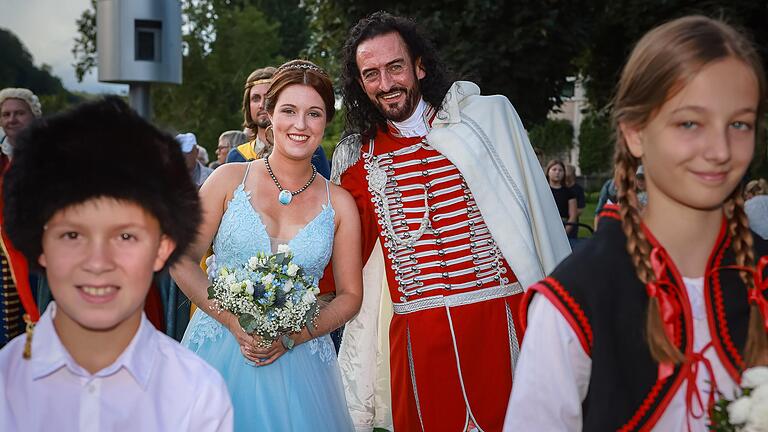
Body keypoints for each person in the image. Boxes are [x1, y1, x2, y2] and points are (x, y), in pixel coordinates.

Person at [504, 16, 768, 431]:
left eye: (739, 124)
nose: (719, 150)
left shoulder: (762, 276)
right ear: (635, 133)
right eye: (689, 123)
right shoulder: (577, 297)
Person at [329, 12, 570, 431]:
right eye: (371, 74)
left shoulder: (486, 122)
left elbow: (535, 219)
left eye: (395, 67)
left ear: (419, 66)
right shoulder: (356, 162)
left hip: (501, 323)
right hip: (418, 339)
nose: (386, 84)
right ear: (360, 85)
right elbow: (338, 254)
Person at [0, 97, 233, 431]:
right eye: (73, 236)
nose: (98, 261)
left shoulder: (198, 391)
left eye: (125, 237)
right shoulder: (7, 389)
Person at [173, 60, 362, 431]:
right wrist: (233, 321)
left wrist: (293, 335)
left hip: (302, 362)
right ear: (269, 114)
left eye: (314, 113)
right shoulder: (228, 179)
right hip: (217, 349)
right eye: (289, 111)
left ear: (326, 122)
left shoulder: (339, 203)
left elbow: (350, 295)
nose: (300, 125)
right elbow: (182, 260)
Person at [228, 66, 332, 179]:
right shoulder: (237, 155)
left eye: (267, 97)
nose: (262, 105)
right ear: (248, 104)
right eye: (256, 98)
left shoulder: (312, 151)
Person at [0, 88, 42, 348]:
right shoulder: (3, 156)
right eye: (6, 114)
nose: (11, 119)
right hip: (5, 257)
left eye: (19, 113)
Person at [547, 160, 578, 238]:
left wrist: (564, 233)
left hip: (564, 225)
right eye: (554, 169)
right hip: (546, 226)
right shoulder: (542, 191)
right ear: (548, 172)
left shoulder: (569, 193)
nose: (557, 172)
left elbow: (573, 216)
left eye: (560, 170)